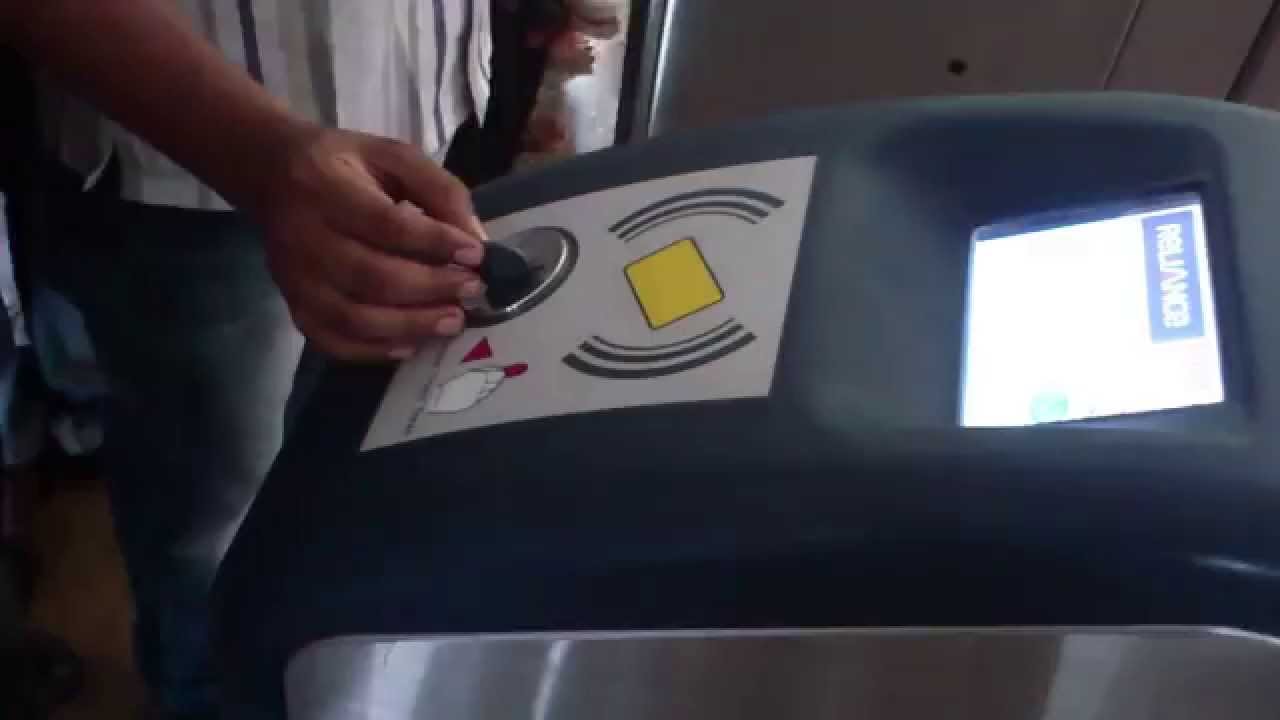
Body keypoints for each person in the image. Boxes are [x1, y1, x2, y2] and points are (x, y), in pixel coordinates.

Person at [0, 1, 498, 716]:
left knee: (353, 475)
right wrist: (261, 157)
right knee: (216, 525)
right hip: (185, 178)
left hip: (428, 100)